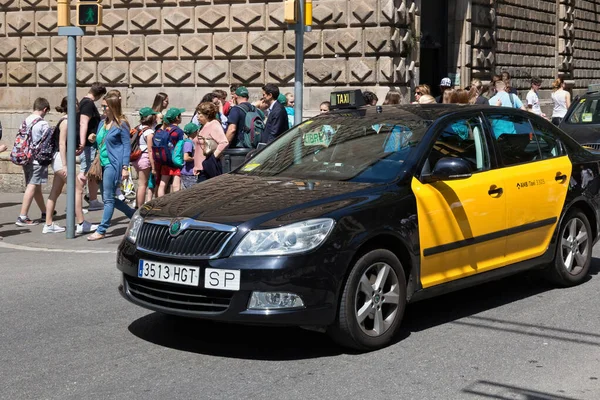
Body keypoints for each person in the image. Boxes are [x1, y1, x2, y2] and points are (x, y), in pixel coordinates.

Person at [43, 97, 98, 234]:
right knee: (78, 188)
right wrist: (65, 165)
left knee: (55, 191)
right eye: (77, 103)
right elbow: (61, 144)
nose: (79, 106)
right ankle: (81, 223)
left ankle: (48, 224)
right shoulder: (66, 122)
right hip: (61, 161)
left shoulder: (67, 120)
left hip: (60, 160)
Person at [87, 92, 135, 241]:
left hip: (113, 165)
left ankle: (102, 230)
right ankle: (134, 215)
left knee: (108, 199)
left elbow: (127, 147)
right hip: (101, 164)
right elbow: (100, 144)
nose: (102, 109)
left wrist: (125, 167)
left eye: (105, 106)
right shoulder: (102, 123)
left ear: (112, 107)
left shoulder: (122, 124)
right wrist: (93, 139)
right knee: (109, 198)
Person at [15, 98, 51, 227]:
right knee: (32, 185)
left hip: (26, 158)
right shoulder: (43, 124)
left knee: (36, 187)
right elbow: (48, 144)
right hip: (37, 160)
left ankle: (45, 212)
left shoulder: (25, 120)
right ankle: (22, 216)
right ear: (45, 109)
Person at [78, 83, 107, 212]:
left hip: (90, 144)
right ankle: (76, 204)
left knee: (91, 173)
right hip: (88, 145)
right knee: (83, 173)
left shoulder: (85, 102)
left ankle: (93, 201)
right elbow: (83, 122)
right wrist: (83, 142)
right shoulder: (88, 103)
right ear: (99, 94)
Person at [194, 102, 229, 182]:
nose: (197, 116)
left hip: (208, 167)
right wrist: (197, 166)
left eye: (199, 114)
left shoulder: (214, 124)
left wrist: (212, 158)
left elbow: (224, 142)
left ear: (207, 115)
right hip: (202, 169)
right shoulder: (203, 126)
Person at [155, 107, 185, 197]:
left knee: (163, 183)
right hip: (175, 160)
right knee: (176, 185)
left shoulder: (165, 129)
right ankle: (174, 203)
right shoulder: (178, 131)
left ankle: (160, 203)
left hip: (165, 159)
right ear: (177, 118)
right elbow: (180, 146)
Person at [131, 107, 157, 209]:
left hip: (135, 158)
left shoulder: (138, 128)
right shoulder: (149, 132)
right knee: (143, 184)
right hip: (144, 158)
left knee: (140, 183)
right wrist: (154, 167)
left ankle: (137, 204)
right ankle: (140, 207)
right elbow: (150, 151)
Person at [180, 123, 199, 189]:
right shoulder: (188, 143)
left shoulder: (188, 141)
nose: (197, 131)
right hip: (189, 173)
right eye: (196, 130)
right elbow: (186, 157)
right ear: (193, 132)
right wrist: (195, 158)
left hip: (187, 173)